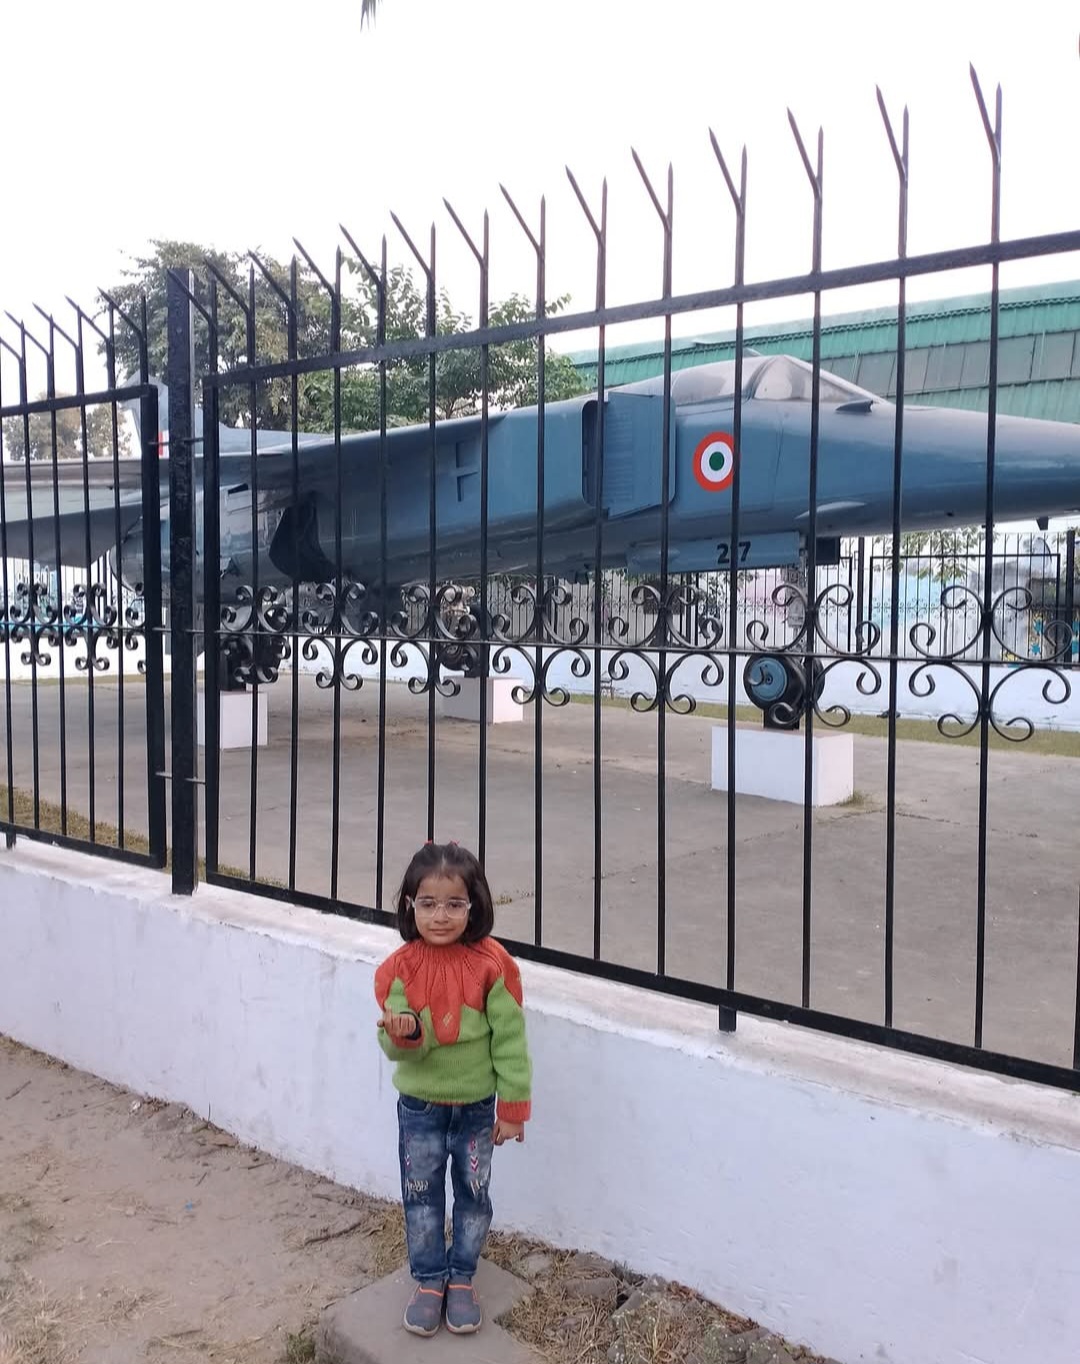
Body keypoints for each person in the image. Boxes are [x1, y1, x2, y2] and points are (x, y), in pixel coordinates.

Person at [375, 841, 532, 1338]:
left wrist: (513, 1108)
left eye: (454, 904)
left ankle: (462, 1276)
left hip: (477, 1111)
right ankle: (429, 1280)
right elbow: (398, 1049)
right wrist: (404, 1033)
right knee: (421, 1195)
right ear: (410, 906)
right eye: (428, 903)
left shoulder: (495, 966)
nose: (440, 916)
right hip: (419, 1109)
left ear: (474, 904)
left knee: (473, 1194)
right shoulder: (398, 970)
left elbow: (510, 1042)